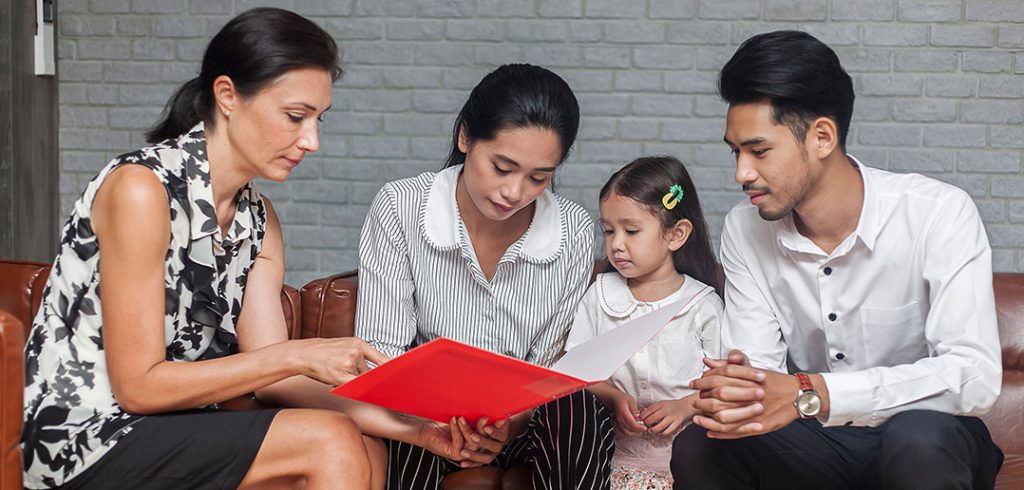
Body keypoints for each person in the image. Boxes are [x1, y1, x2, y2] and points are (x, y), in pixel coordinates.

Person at [21, 8, 393, 489]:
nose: (312, 141)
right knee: (329, 440)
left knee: (367, 446)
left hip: (177, 426)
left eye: (318, 119)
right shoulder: (141, 189)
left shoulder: (258, 220)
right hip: (84, 437)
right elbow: (138, 387)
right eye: (295, 117)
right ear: (227, 96)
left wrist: (418, 429)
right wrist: (301, 354)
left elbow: (274, 378)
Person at [670, 30, 1004, 489]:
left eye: (759, 150)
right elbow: (760, 378)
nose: (741, 173)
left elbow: (974, 376)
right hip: (819, 443)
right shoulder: (746, 229)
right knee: (704, 444)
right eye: (736, 151)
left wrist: (814, 392)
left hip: (926, 436)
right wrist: (735, 393)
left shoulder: (937, 213)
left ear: (822, 137)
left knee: (917, 437)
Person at [355, 63, 615, 489]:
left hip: (519, 423)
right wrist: (438, 422)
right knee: (403, 432)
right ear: (465, 138)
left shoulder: (573, 230)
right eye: (502, 167)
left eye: (538, 177)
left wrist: (506, 427)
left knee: (577, 411)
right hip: (423, 418)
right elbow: (381, 350)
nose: (514, 192)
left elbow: (549, 367)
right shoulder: (400, 207)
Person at [565, 156, 723, 489]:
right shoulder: (600, 296)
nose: (616, 244)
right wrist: (612, 397)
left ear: (676, 234)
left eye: (631, 231)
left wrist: (685, 406)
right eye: (608, 231)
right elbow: (574, 372)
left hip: (687, 454)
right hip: (614, 453)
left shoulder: (702, 305)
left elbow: (722, 381)